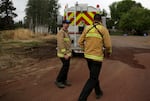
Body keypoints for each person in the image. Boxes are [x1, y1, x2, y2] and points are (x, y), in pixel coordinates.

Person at [78, 14, 112, 101]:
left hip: (88, 57)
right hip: (97, 58)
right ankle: (82, 98)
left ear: (93, 20)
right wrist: (108, 52)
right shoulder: (103, 29)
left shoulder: (87, 28)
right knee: (93, 78)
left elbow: (80, 42)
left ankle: (98, 92)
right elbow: (108, 45)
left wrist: (85, 50)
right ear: (100, 21)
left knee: (93, 75)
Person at [55, 20, 72, 88]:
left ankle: (64, 80)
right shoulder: (61, 32)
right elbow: (60, 43)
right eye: (65, 23)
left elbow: (68, 43)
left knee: (66, 67)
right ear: (63, 24)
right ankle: (58, 80)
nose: (67, 25)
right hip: (63, 54)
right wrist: (65, 54)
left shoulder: (66, 32)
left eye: (68, 24)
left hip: (67, 53)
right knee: (65, 67)